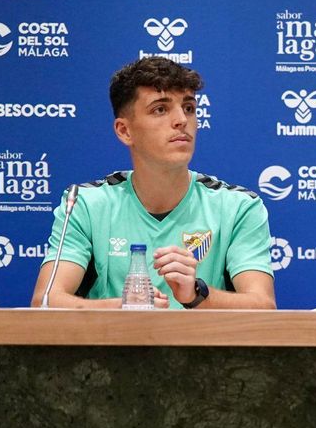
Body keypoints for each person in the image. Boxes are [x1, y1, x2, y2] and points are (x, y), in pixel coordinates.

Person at [31, 57, 275, 310]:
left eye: (189, 108)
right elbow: (46, 300)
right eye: (160, 109)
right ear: (125, 131)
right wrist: (129, 307)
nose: (181, 120)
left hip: (202, 348)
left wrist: (196, 294)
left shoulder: (238, 207)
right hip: (112, 347)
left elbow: (263, 305)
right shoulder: (85, 204)